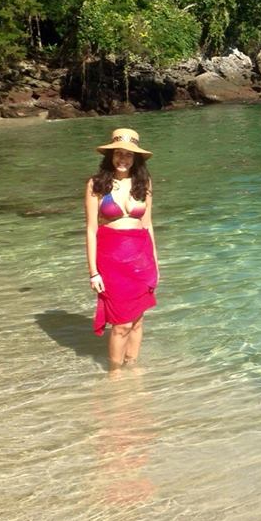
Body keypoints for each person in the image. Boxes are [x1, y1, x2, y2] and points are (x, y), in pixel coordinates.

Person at [85, 128, 158, 373]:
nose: (123, 159)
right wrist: (94, 272)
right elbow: (91, 229)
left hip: (141, 261)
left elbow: (148, 226)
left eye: (129, 155)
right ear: (110, 156)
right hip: (111, 263)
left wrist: (156, 266)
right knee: (121, 325)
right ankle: (114, 375)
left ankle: (133, 369)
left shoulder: (144, 183)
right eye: (118, 153)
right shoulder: (97, 184)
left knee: (137, 321)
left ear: (136, 158)